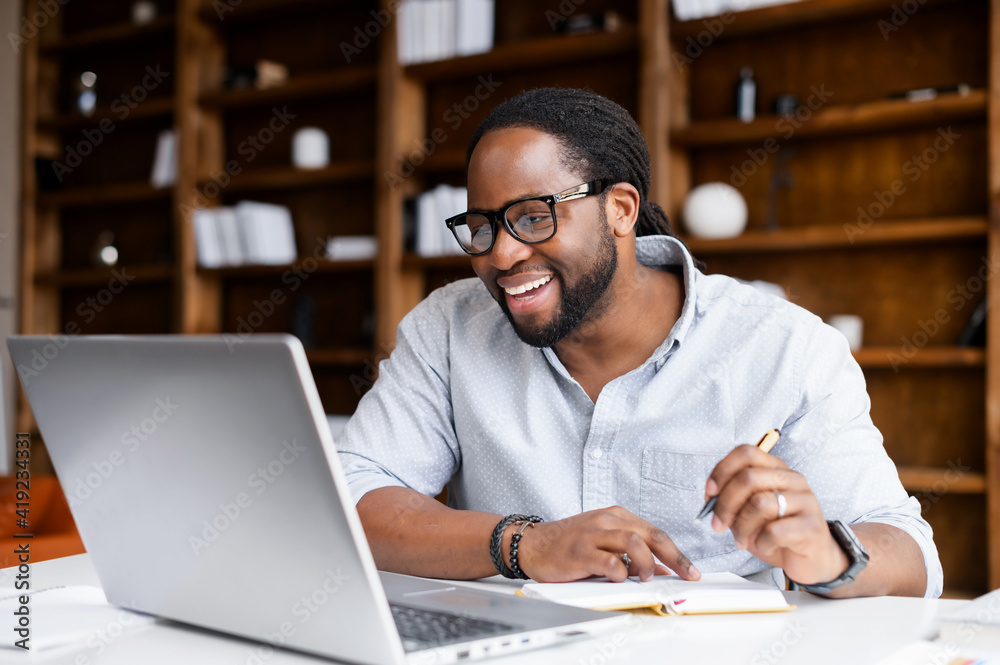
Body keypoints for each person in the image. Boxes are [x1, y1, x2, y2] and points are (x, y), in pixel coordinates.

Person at [337, 87, 942, 598]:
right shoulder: (448, 328)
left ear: (621, 208)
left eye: (532, 217)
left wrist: (828, 553)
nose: (501, 254)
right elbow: (351, 496)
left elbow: (913, 557)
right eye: (482, 226)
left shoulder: (784, 348)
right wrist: (523, 544)